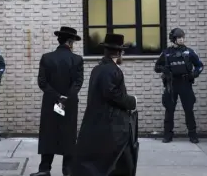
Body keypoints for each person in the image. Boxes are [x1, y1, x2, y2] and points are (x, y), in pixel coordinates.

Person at [73, 33, 137, 176]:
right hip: (112, 126)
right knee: (115, 163)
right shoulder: (112, 70)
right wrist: (132, 101)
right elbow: (112, 94)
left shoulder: (98, 69)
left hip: (100, 123)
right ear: (119, 52)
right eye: (122, 52)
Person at [30, 26, 84, 176]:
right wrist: (66, 97)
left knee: (49, 133)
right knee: (69, 134)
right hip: (69, 103)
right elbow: (78, 82)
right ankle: (68, 170)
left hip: (51, 102)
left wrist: (57, 97)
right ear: (70, 42)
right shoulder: (77, 59)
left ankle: (44, 169)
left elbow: (42, 82)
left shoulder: (47, 57)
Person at [154, 28, 204, 144]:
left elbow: (200, 66)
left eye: (182, 37)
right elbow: (156, 67)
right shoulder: (166, 53)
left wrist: (194, 74)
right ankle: (167, 135)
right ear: (173, 39)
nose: (181, 39)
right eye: (178, 37)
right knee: (169, 110)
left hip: (185, 84)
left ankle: (193, 135)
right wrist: (163, 69)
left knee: (189, 110)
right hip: (171, 84)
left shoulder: (189, 52)